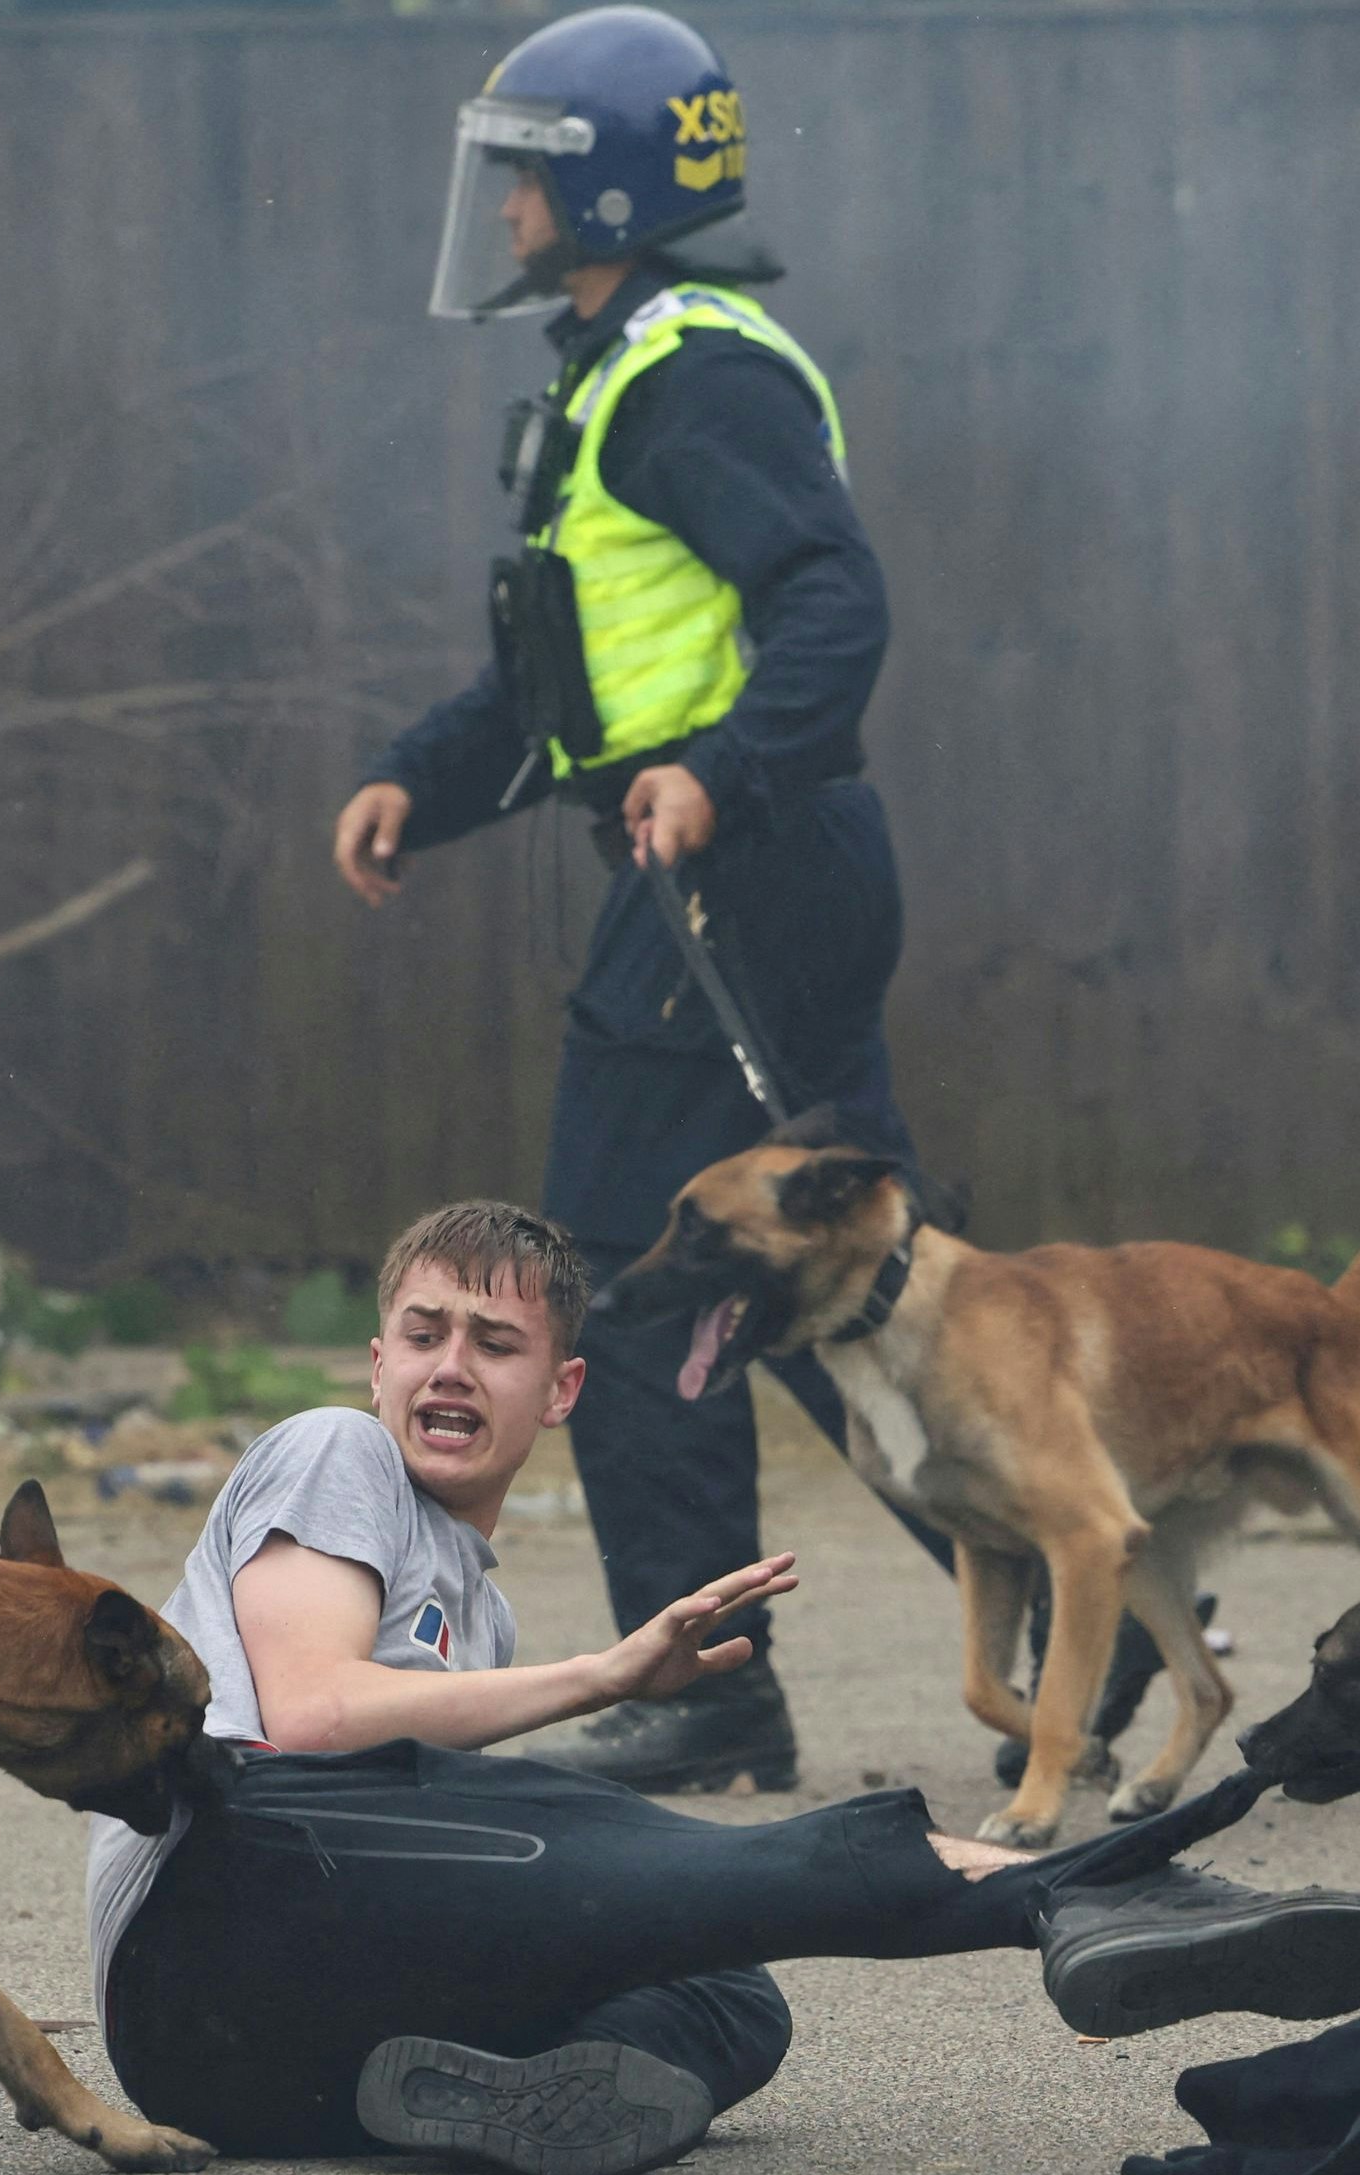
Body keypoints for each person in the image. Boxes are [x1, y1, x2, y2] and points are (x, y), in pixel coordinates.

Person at [83, 1199, 1360, 2175]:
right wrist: (607, 1675)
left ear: (561, 1389)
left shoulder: (474, 1604)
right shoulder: (333, 1454)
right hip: (220, 1904)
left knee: (730, 1992)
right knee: (641, 1841)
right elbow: (308, 1714)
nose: (447, 1365)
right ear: (375, 1363)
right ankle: (1095, 1891)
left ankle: (473, 2108)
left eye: (493, 1342)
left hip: (263, 2071)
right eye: (422, 1332)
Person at [332, 3, 1042, 1797]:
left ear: (620, 194)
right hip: (745, 866)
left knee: (631, 1281)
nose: (500, 210)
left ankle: (709, 1684)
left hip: (740, 869)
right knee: (853, 1287)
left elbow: (832, 603)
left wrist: (720, 767)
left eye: (532, 179)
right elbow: (564, 688)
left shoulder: (690, 376)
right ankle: (1069, 1629)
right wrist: (424, 780)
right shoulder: (610, 370)